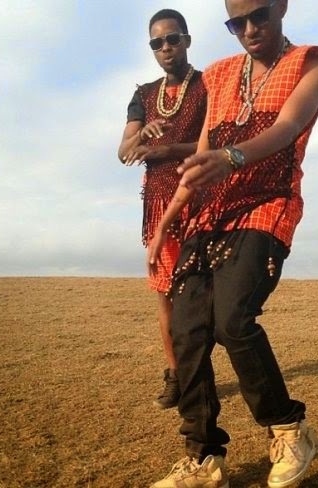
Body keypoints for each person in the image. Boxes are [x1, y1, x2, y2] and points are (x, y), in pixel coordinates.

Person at [147, 0, 318, 486]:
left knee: (232, 320)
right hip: (210, 213)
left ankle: (290, 429)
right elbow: (202, 156)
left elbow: (287, 127)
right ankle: (204, 458)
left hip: (266, 204)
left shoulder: (312, 63)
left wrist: (232, 157)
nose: (250, 29)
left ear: (282, 7)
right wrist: (166, 222)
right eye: (237, 22)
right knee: (187, 331)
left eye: (260, 16)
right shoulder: (220, 74)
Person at [118, 9, 207, 409]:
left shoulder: (209, 84)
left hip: (202, 199)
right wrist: (142, 137)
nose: (166, 47)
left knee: (201, 296)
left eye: (172, 39)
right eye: (157, 42)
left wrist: (167, 149)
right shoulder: (143, 95)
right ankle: (176, 375)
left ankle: (197, 371)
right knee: (165, 295)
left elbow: (214, 141)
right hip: (157, 204)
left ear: (186, 39)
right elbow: (124, 152)